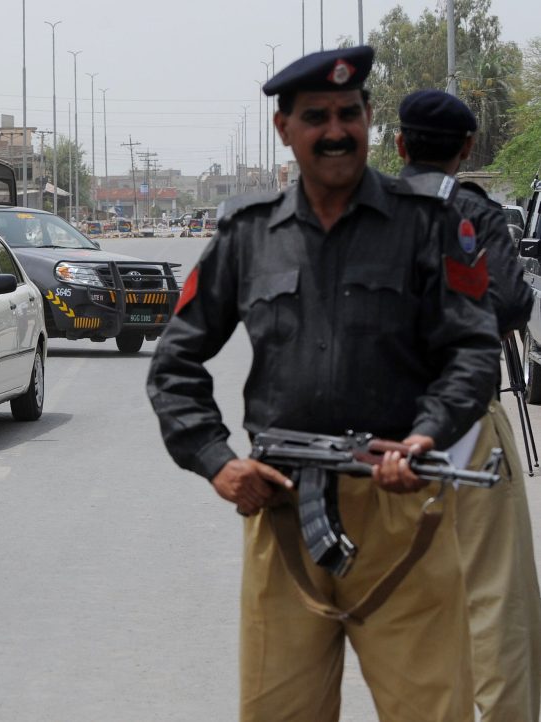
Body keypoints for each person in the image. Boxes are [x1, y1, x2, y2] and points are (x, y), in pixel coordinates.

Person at [147, 46, 501, 721]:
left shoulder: (426, 225)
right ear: (285, 129)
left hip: (403, 516)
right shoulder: (247, 235)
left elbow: (473, 350)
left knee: (435, 710)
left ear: (370, 118)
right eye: (316, 117)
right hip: (282, 518)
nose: (335, 130)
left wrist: (426, 436)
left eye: (348, 114)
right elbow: (175, 365)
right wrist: (218, 463)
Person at [397, 88, 541, 722]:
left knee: (406, 609)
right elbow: (512, 303)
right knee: (497, 604)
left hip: (383, 436)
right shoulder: (473, 212)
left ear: (399, 146)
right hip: (467, 428)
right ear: (465, 151)